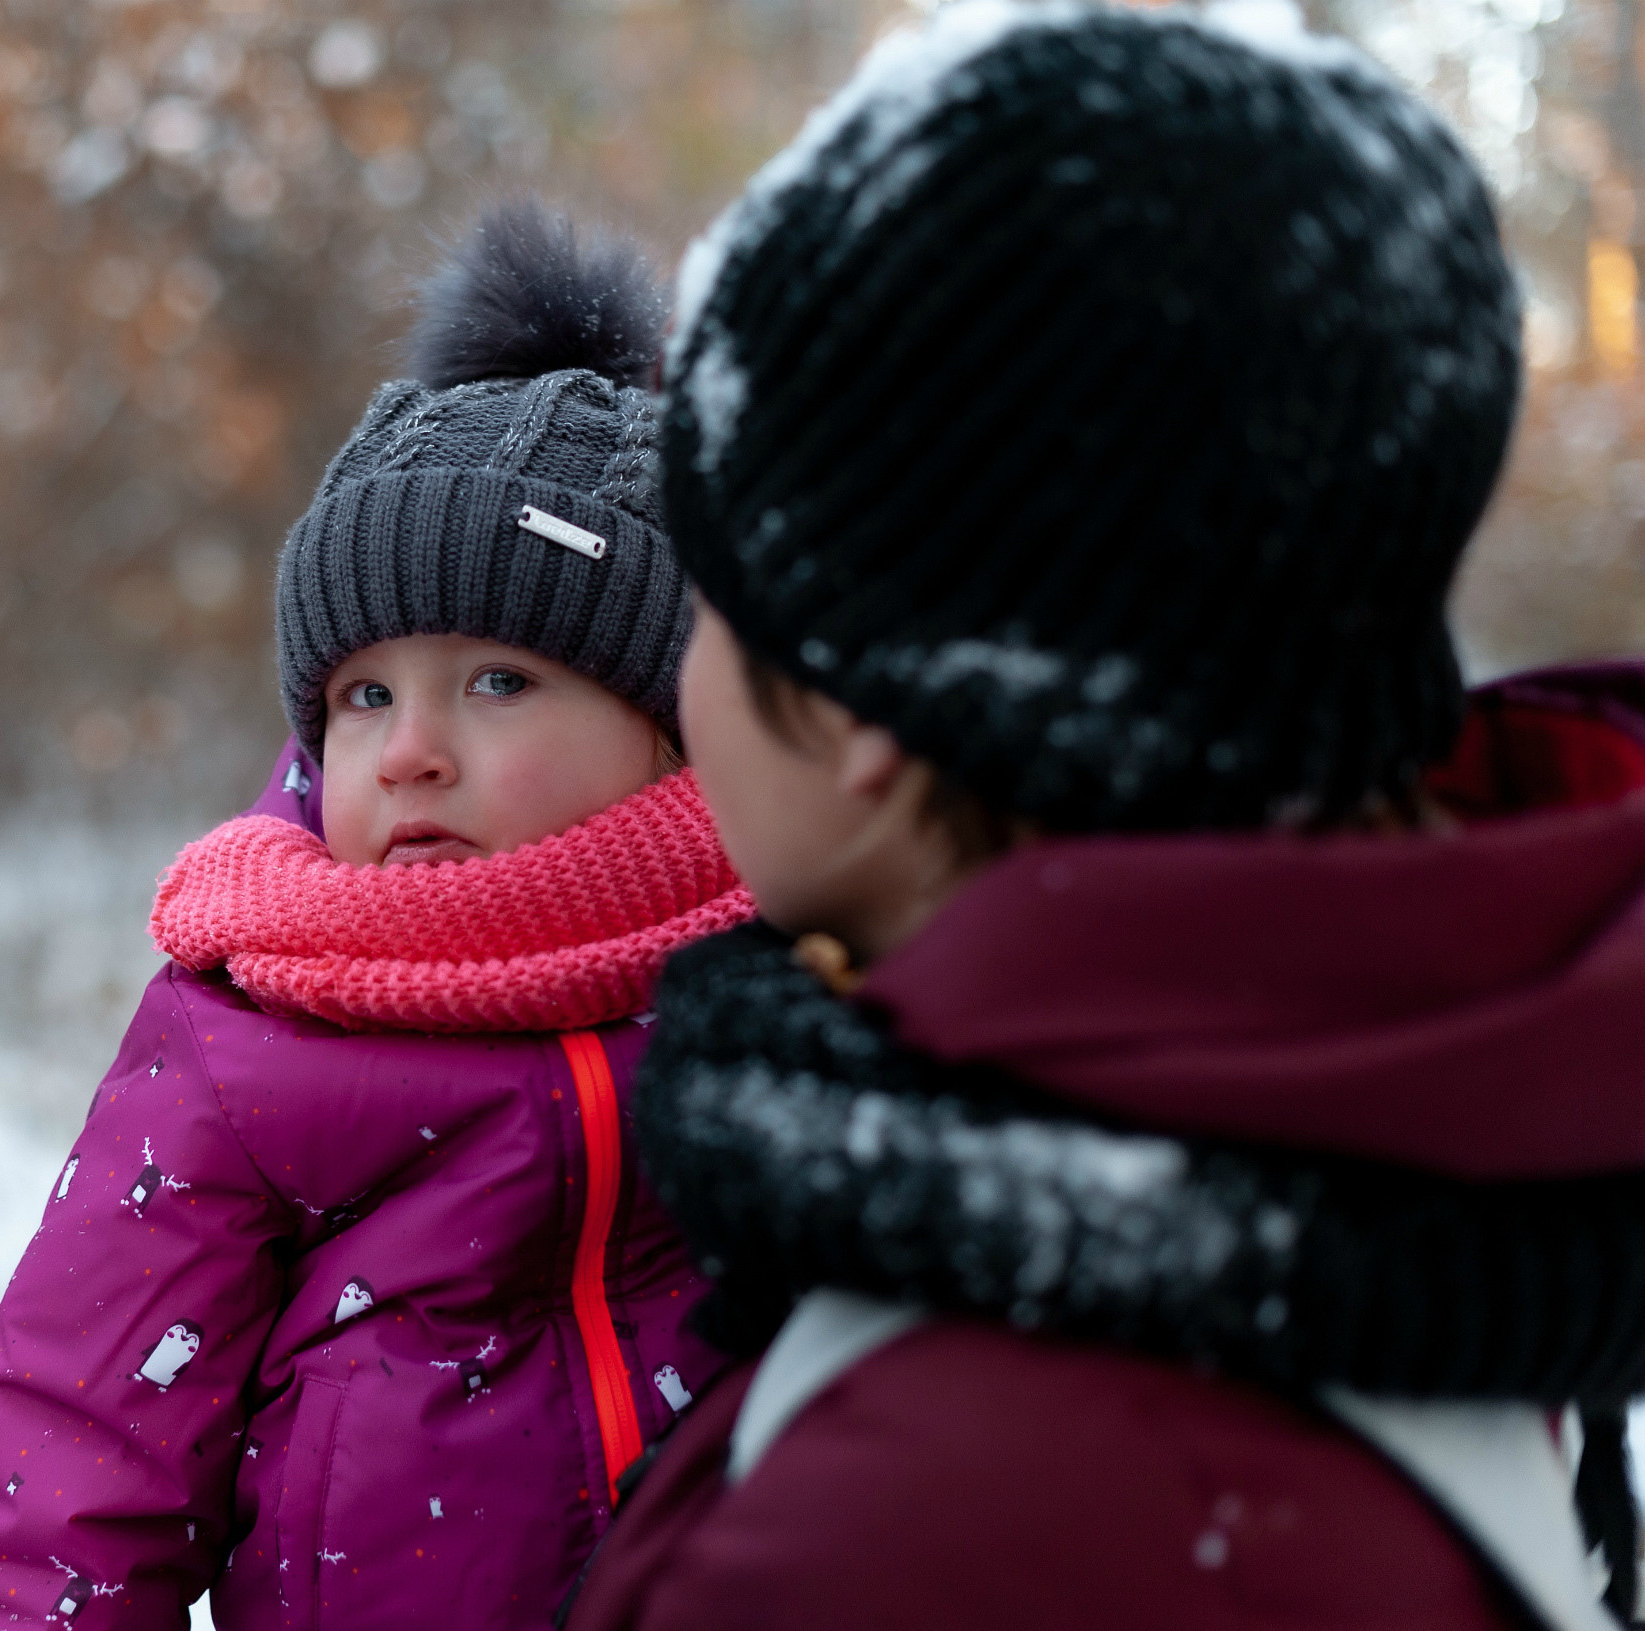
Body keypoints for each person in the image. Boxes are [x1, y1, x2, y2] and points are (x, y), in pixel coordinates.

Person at [562, 5, 1645, 1629]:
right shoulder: (1424, 1174)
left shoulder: (953, 1521)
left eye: (709, 595)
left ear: (865, 692)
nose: (685, 676)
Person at [0, 202, 752, 1630]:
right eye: (365, 696)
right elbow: (68, 1460)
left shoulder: (773, 974)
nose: (409, 750)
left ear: (670, 725)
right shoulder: (255, 1026)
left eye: (498, 681)